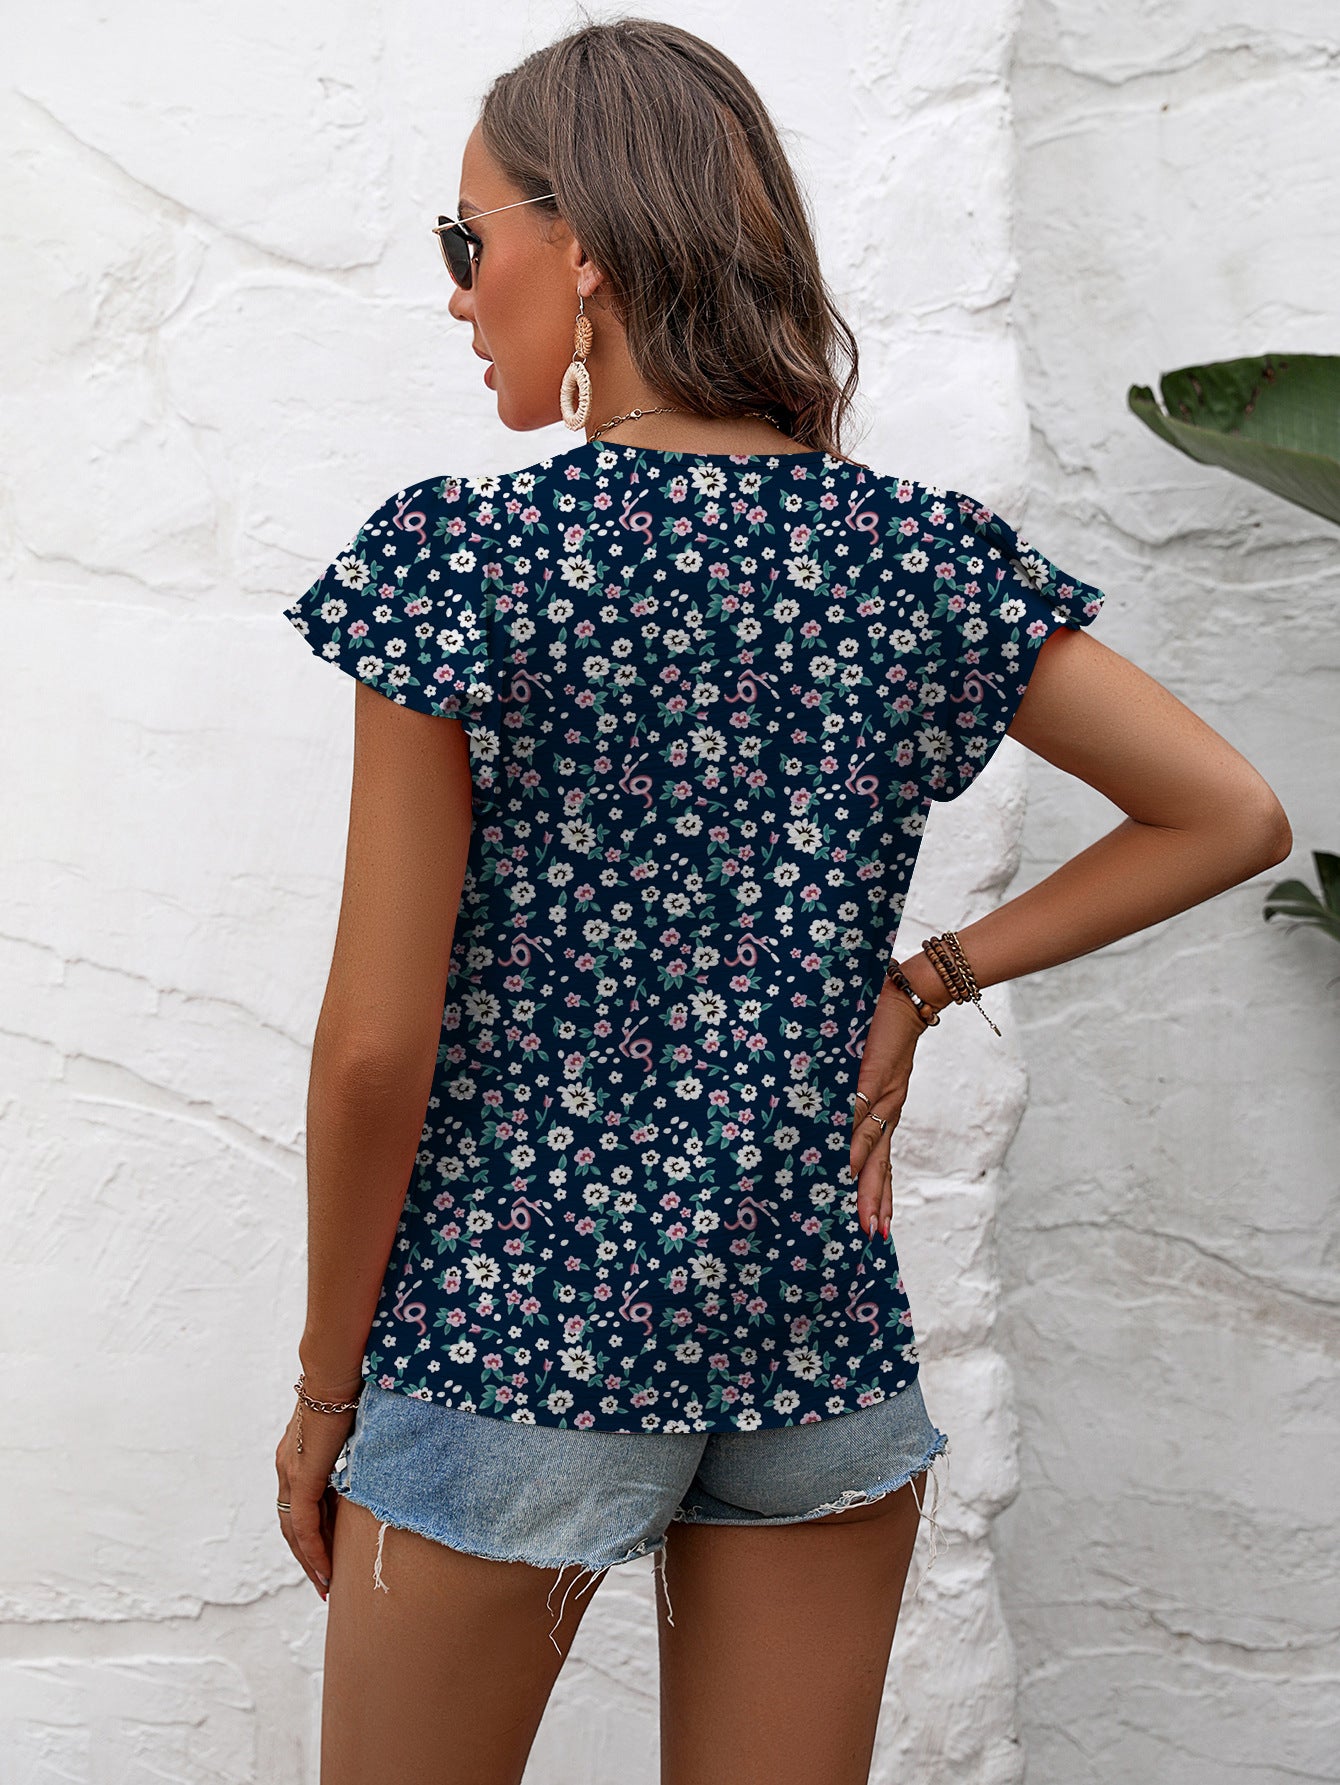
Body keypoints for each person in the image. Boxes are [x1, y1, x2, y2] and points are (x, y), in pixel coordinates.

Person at [273, 18, 1292, 1785]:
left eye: (466, 239)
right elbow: (1229, 811)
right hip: (811, 1330)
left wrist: (321, 1389)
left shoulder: (462, 561)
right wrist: (927, 978)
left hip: (514, 1326)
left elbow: (377, 1043)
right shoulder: (912, 556)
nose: (456, 293)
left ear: (582, 247)